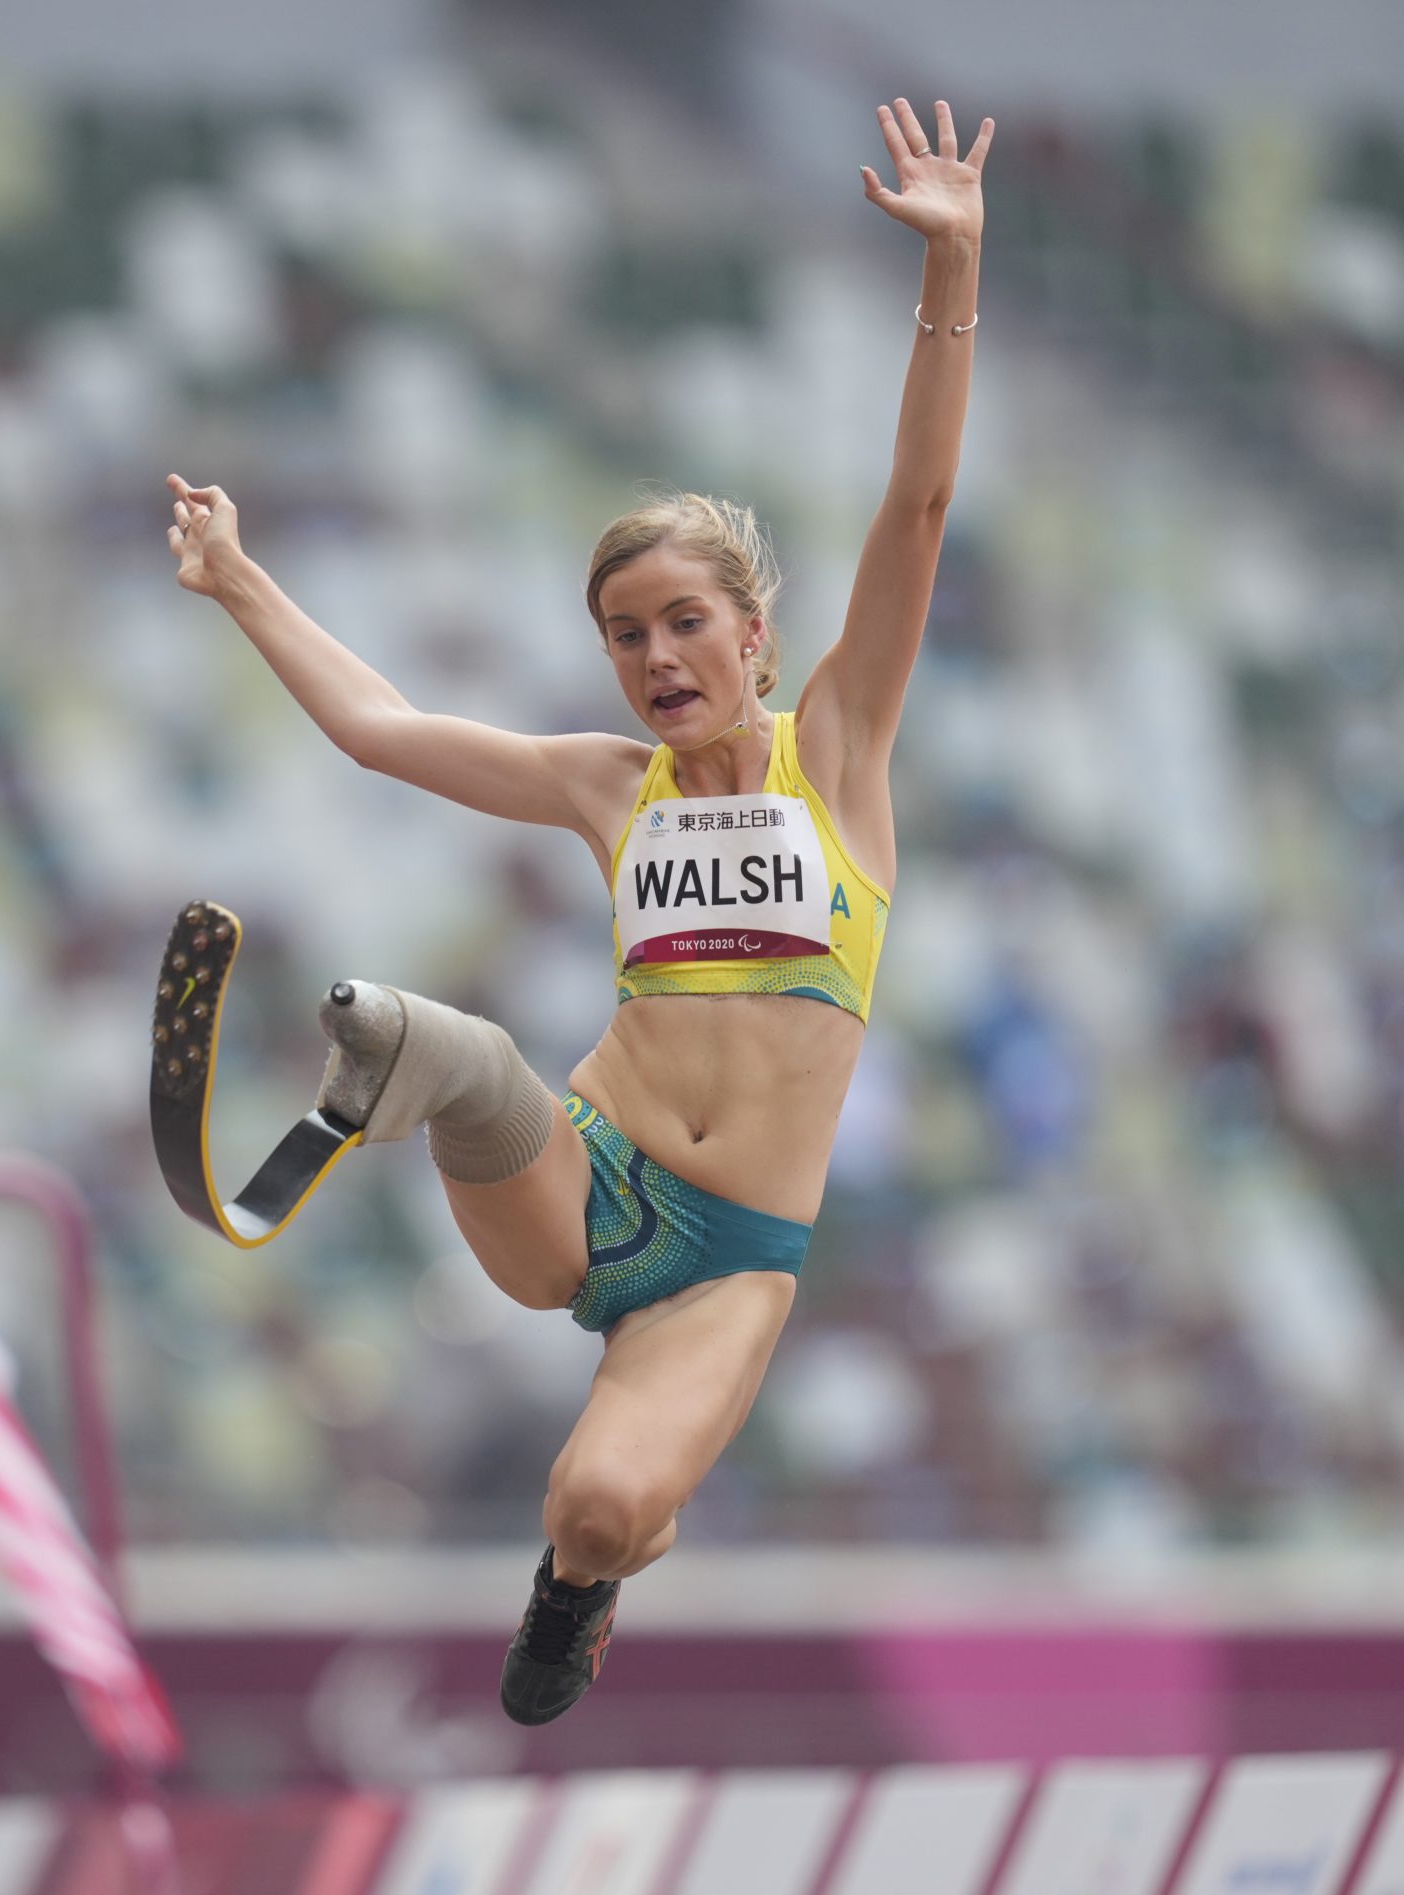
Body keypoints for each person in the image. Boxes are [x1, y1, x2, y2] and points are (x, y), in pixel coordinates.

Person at [163, 96, 991, 1725]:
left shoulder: (839, 759)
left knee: (600, 1508)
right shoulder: (604, 787)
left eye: (684, 623)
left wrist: (952, 268)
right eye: (624, 634)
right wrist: (243, 580)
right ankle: (386, 1070)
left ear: (755, 636)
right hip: (583, 1177)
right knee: (447, 1052)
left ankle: (584, 1583)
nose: (655, 659)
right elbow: (383, 733)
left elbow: (914, 513)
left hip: (725, 1267)